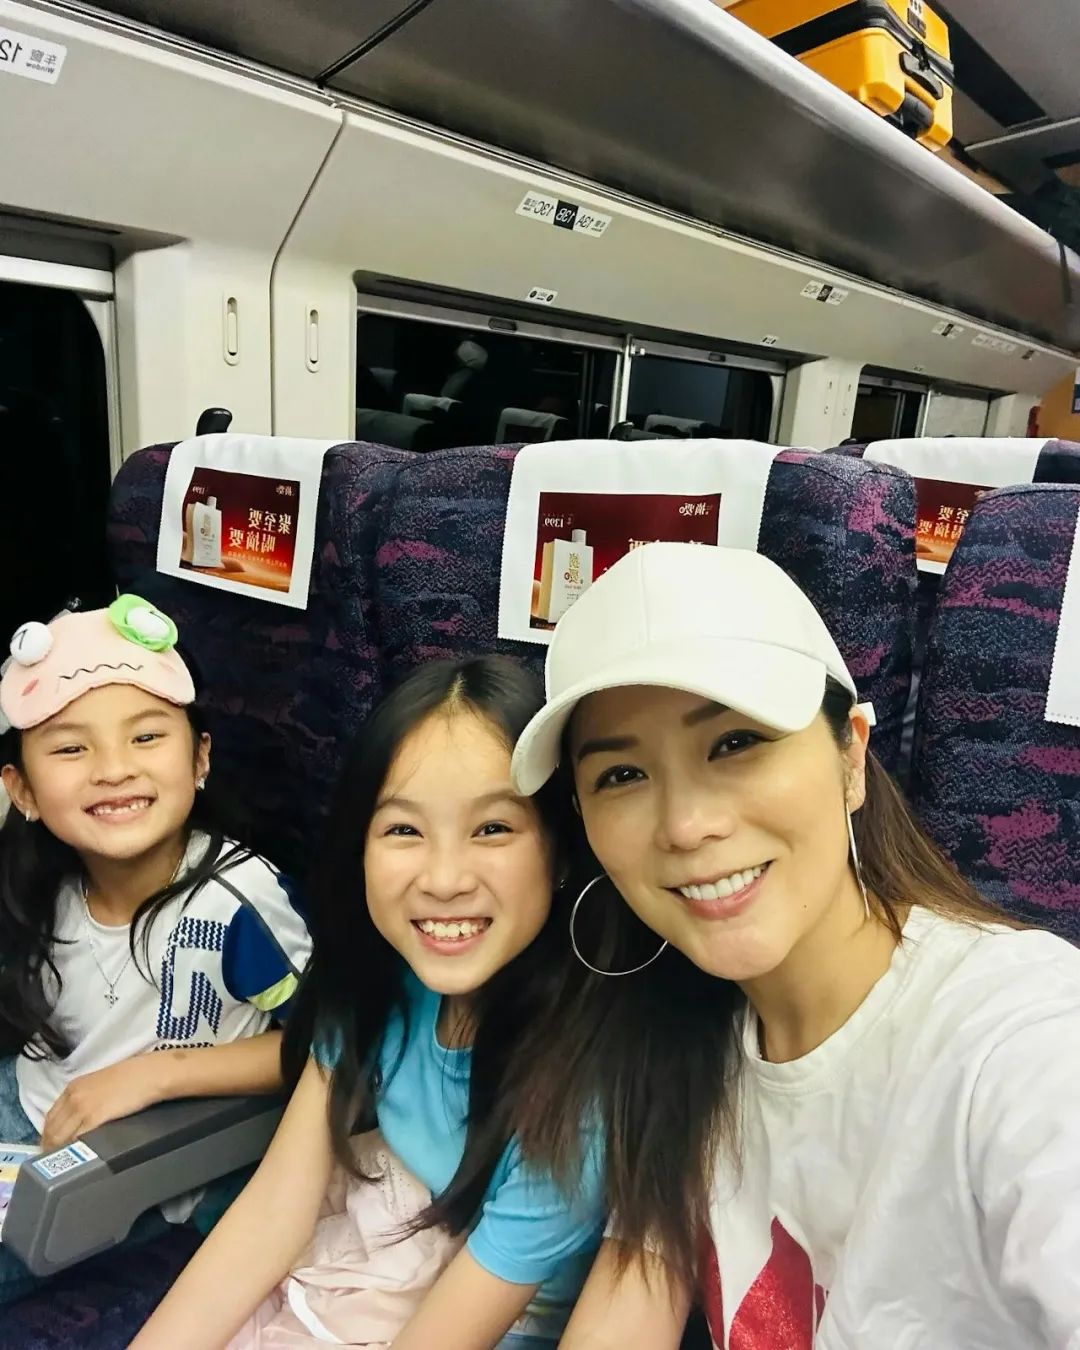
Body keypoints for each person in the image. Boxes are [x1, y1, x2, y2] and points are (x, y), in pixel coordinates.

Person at [509, 541, 1080, 1350]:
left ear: (852, 755)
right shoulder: (679, 1040)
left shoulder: (1021, 1044)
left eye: (736, 744)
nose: (685, 825)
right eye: (622, 776)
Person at [133, 656, 604, 1350]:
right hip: (363, 1268)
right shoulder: (376, 987)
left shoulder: (578, 1094)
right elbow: (271, 1214)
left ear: (562, 853)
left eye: (493, 829)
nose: (444, 879)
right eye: (404, 830)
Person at [0, 595, 312, 1301]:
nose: (113, 769)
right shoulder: (43, 880)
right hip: (30, 1107)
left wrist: (156, 1074)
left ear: (200, 757)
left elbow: (338, 1046)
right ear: (22, 791)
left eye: (145, 737)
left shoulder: (238, 903)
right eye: (71, 748)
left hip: (143, 1158)